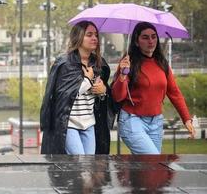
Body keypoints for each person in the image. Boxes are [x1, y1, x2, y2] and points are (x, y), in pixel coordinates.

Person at [112, 22, 195, 154]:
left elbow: (174, 93)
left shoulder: (162, 63)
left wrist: (186, 119)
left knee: (149, 170)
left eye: (153, 36)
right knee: (154, 161)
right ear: (137, 42)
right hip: (132, 121)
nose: (151, 41)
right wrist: (122, 75)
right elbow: (117, 96)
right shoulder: (128, 63)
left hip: (156, 122)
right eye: (145, 37)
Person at [40, 21, 112, 154]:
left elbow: (104, 97)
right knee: (80, 165)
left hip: (89, 123)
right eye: (89, 35)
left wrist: (103, 91)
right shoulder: (65, 63)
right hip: (69, 124)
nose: (94, 38)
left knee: (88, 167)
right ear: (78, 37)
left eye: (96, 35)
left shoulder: (99, 64)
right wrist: (87, 80)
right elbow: (64, 96)